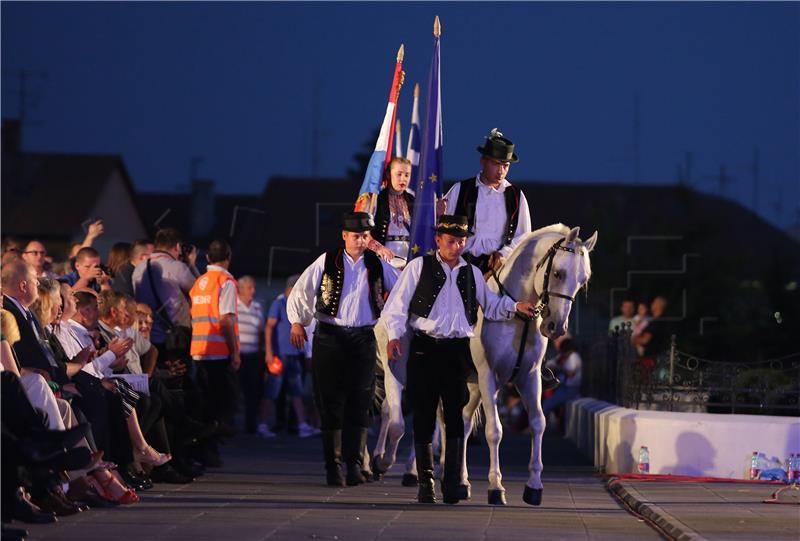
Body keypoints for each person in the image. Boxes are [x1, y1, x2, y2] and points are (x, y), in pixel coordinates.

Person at [380, 214, 536, 504]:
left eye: (461, 241)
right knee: (424, 414)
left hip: (457, 351)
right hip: (425, 350)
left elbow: (491, 307)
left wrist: (516, 305)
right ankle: (426, 482)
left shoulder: (473, 274)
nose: (456, 246)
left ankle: (451, 481)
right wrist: (392, 337)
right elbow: (396, 307)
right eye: (451, 241)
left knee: (454, 416)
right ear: (438, 240)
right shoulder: (418, 267)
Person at [288, 211, 400, 487]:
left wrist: (397, 330)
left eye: (365, 236)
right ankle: (333, 466)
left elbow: (400, 293)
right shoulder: (327, 260)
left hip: (363, 337)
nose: (360, 240)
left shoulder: (377, 264)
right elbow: (302, 291)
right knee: (330, 402)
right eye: (356, 236)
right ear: (344, 236)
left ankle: (353, 465)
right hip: (329, 338)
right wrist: (297, 322)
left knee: (360, 402)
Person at [437, 129, 532, 274]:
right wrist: (438, 215)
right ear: (483, 161)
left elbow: (523, 236)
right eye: (496, 164)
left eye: (505, 166)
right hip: (461, 265)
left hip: (500, 270)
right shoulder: (461, 189)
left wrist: (503, 254)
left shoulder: (516, 196)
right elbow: (443, 227)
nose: (501, 171)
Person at [189, 239, 240, 465]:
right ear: (228, 256)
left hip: (198, 349)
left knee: (205, 403)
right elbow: (226, 320)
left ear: (207, 258)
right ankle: (209, 449)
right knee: (223, 404)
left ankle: (204, 450)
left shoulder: (199, 282)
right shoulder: (225, 281)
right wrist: (235, 351)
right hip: (218, 351)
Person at [265, 274, 320, 438]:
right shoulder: (279, 302)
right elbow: (269, 327)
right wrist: (269, 353)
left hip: (295, 354)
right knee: (272, 391)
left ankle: (302, 424)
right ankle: (263, 424)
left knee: (297, 391)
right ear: (291, 288)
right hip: (279, 354)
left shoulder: (298, 305)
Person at [132, 228, 198, 356]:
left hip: (148, 335)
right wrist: (192, 265)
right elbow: (198, 293)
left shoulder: (139, 269)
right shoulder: (178, 267)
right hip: (177, 338)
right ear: (178, 246)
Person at [367, 157, 415, 267]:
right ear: (389, 174)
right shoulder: (377, 199)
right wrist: (379, 249)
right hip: (384, 258)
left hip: (409, 258)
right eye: (399, 174)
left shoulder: (413, 200)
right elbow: (365, 233)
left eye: (407, 175)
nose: (403, 179)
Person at [236, 275, 266, 435]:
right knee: (234, 391)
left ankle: (251, 425)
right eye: (250, 288)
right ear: (240, 290)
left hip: (254, 355)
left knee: (253, 392)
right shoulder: (233, 305)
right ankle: (230, 425)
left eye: (254, 287)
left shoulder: (257, 306)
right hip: (238, 355)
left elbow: (262, 331)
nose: (253, 291)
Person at [542, 337, 583, 420]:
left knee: (547, 404)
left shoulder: (573, 356)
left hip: (570, 390)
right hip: (565, 389)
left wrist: (559, 367)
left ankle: (539, 427)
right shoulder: (570, 357)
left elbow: (570, 373)